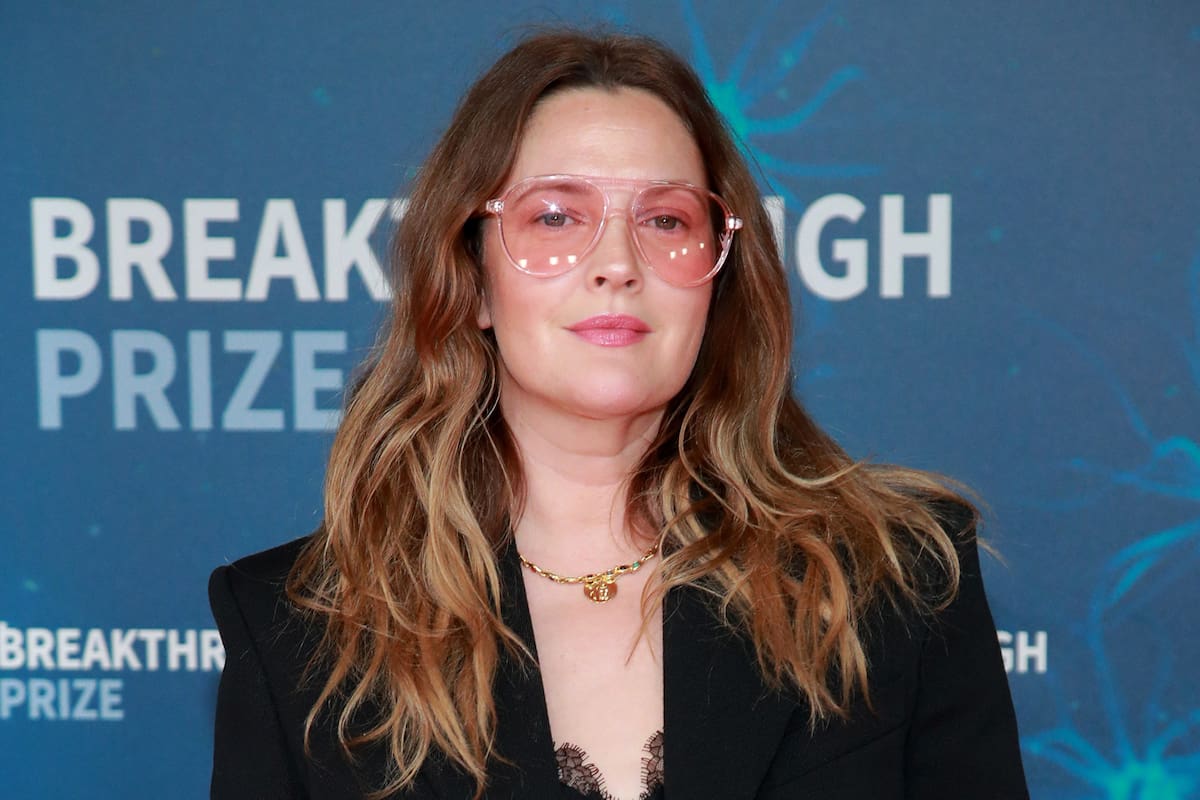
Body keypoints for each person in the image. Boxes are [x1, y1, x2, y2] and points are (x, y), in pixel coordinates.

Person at [209, 29, 1030, 800]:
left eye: (665, 219)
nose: (616, 264)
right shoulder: (298, 628)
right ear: (472, 273)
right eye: (556, 216)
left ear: (719, 273)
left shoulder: (900, 580)